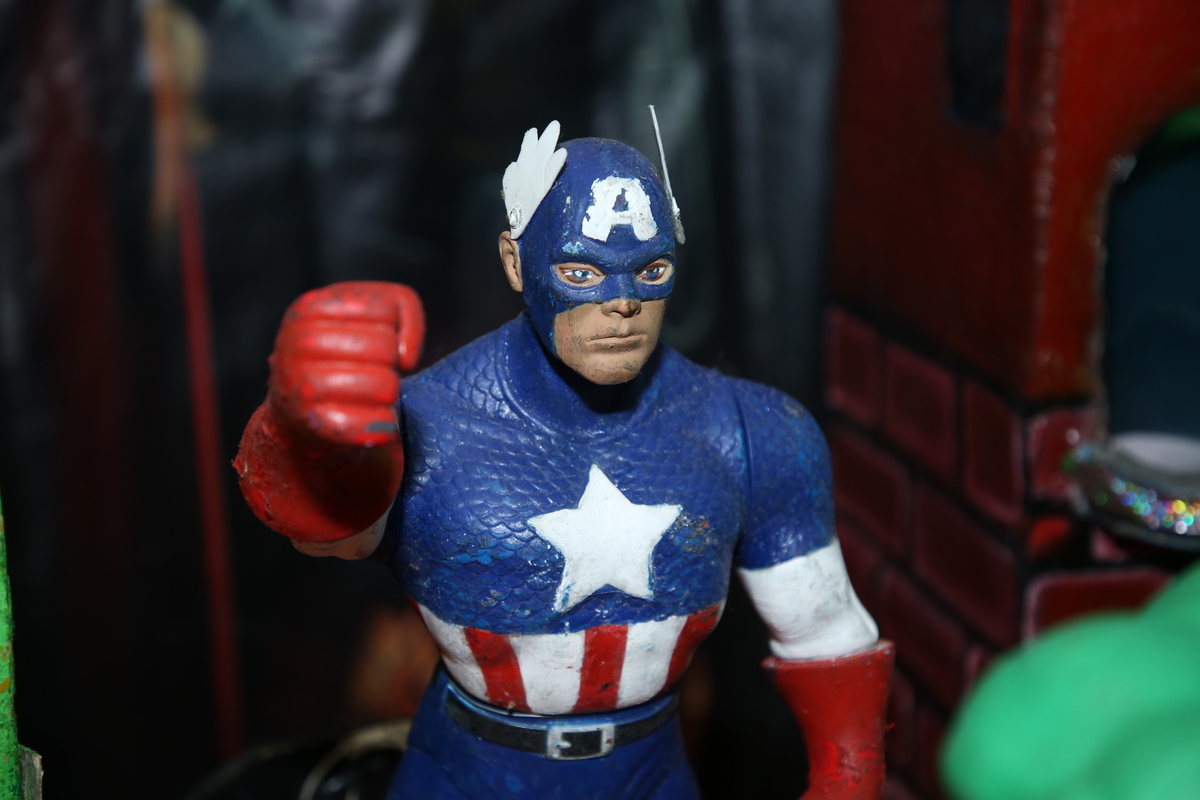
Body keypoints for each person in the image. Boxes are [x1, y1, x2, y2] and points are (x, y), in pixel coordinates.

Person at [235, 121, 893, 800]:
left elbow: (826, 635)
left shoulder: (752, 432)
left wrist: (849, 782)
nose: (622, 303)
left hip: (649, 772)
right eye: (582, 273)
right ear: (516, 262)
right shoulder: (428, 427)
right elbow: (316, 526)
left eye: (651, 270)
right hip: (467, 772)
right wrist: (296, 430)